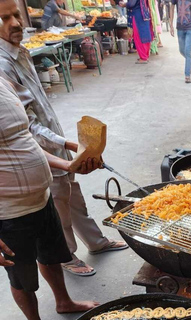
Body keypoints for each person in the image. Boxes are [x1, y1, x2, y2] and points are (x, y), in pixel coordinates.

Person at [0, 0, 128, 277]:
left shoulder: (20, 51)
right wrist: (66, 144)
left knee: (74, 196)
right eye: (4, 19)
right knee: (59, 206)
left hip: (54, 139)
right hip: (35, 153)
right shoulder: (2, 66)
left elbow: (40, 106)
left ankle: (95, 242)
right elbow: (26, 125)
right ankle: (67, 256)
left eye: (15, 15)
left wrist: (68, 144)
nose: (15, 23)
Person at [0, 76, 101, 320]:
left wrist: (67, 164)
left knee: (52, 255)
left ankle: (64, 302)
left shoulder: (4, 83)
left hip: (42, 199)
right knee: (22, 277)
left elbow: (24, 141)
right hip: (9, 213)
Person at [169, 0, 191, 83]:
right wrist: (171, 24)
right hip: (180, 27)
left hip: (190, 28)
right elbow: (172, 7)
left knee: (187, 51)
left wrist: (189, 18)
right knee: (182, 50)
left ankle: (187, 75)